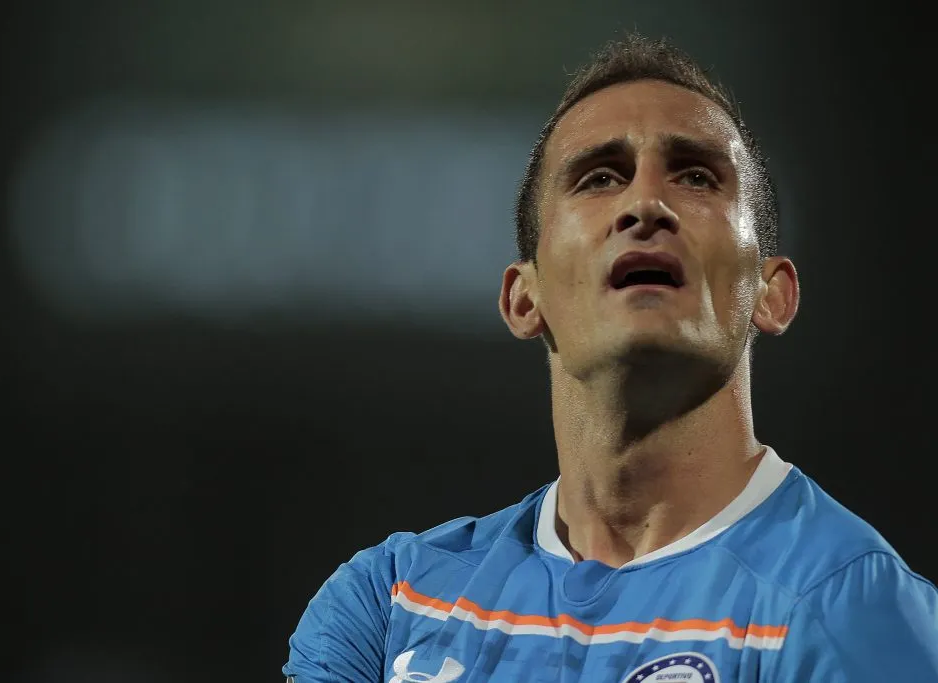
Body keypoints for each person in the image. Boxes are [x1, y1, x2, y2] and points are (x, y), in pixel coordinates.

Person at [283, 33, 938, 682]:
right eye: (599, 177)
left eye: (696, 176)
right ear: (524, 297)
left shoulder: (851, 610)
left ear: (772, 293)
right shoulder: (393, 602)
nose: (645, 204)